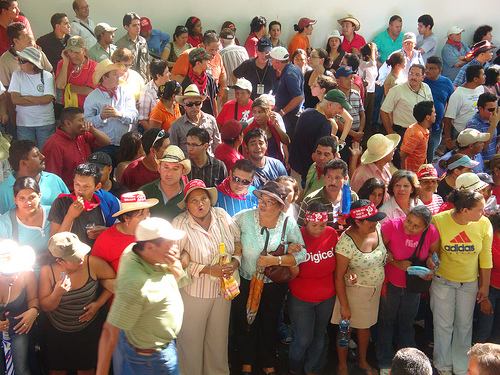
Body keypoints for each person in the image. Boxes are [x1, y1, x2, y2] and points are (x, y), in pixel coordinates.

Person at [95, 217, 185, 375]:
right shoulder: (136, 285)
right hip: (151, 360)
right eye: (168, 244)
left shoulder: (134, 250)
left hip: (159, 347)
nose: (174, 248)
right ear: (149, 247)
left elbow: (177, 274)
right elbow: (109, 332)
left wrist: (172, 263)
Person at [232, 181, 306, 375]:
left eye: (269, 202)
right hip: (246, 279)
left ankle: (267, 362)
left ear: (281, 206)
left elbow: (302, 254)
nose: (262, 204)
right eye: (261, 200)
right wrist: (235, 246)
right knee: (244, 322)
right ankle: (246, 362)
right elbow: (226, 233)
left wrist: (277, 259)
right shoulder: (244, 218)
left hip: (274, 284)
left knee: (269, 322)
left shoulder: (288, 223)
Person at [172, 179, 240, 374]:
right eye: (194, 200)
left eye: (204, 198)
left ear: (210, 200)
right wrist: (207, 270)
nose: (200, 204)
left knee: (218, 341)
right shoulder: (179, 223)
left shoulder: (222, 216)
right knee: (190, 343)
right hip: (193, 292)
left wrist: (234, 263)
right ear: (187, 204)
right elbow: (173, 261)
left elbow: (238, 243)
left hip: (223, 291)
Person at [431, 190, 493, 375]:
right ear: (464, 210)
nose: (484, 212)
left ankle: (461, 368)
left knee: (464, 326)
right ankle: (442, 367)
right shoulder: (439, 220)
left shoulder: (484, 223)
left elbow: (486, 257)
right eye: (480, 209)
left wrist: (485, 287)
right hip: (443, 281)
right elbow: (433, 253)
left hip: (469, 283)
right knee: (443, 326)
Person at [40, 231, 116, 375]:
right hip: (57, 331)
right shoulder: (47, 271)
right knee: (58, 371)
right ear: (60, 261)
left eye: (80, 255)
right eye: (75, 259)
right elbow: (45, 306)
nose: (81, 260)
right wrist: (57, 293)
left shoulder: (91, 263)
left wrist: (98, 304)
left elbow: (113, 283)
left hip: (87, 330)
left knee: (86, 369)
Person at [376, 206, 439, 375]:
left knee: (407, 324)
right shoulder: (390, 226)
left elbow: (434, 255)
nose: (409, 227)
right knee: (386, 323)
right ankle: (384, 362)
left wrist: (431, 268)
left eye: (416, 226)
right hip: (390, 284)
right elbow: (379, 251)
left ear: (425, 228)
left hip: (413, 287)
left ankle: (409, 365)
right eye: (408, 221)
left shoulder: (432, 232)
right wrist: (396, 263)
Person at [332, 199, 387, 375]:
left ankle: (362, 361)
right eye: (371, 220)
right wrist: (345, 305)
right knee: (345, 331)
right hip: (354, 292)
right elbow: (338, 276)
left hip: (374, 290)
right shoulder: (346, 242)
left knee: (365, 327)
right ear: (357, 221)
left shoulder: (376, 229)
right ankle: (342, 365)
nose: (376, 223)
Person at [287, 201, 338, 374]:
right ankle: (294, 368)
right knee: (302, 339)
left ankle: (311, 369)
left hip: (327, 297)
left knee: (319, 336)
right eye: (314, 225)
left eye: (322, 225)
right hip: (301, 298)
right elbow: (291, 271)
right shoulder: (296, 236)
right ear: (306, 221)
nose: (318, 229)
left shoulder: (331, 234)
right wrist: (290, 254)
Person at [48, 162, 119, 247]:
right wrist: (70, 216)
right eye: (77, 184)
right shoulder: (61, 203)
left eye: (86, 186)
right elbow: (54, 244)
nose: (80, 190)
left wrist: (106, 232)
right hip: (69, 258)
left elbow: (122, 231)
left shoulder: (106, 202)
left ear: (97, 187)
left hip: (97, 256)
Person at [289, 89, 352, 184]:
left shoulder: (306, 112)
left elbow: (308, 136)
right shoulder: (325, 124)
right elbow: (317, 155)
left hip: (294, 169)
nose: (341, 111)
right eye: (340, 107)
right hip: (307, 175)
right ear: (330, 105)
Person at [84, 59, 138, 165]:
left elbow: (135, 116)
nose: (119, 76)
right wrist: (101, 117)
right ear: (105, 77)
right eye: (114, 74)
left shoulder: (126, 93)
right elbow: (86, 122)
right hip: (102, 146)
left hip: (124, 145)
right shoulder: (92, 98)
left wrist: (119, 115)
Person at [42, 106, 111, 190]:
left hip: (87, 189)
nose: (84, 123)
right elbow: (52, 179)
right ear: (68, 123)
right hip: (69, 193)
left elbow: (106, 141)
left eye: (84, 120)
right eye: (81, 120)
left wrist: (92, 130)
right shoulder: (53, 145)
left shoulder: (81, 135)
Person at [0, 240, 40, 375]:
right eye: (7, 273)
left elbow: (33, 298)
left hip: (18, 328)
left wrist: (33, 311)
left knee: (21, 369)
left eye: (17, 270)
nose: (14, 276)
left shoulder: (27, 273)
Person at [92, 191, 157, 273]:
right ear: (126, 217)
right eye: (141, 215)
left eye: (148, 213)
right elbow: (95, 269)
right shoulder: (106, 239)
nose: (147, 218)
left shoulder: (155, 232)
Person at [0, 140, 69, 215]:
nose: (42, 156)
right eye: (36, 155)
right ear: (23, 163)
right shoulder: (3, 191)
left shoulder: (54, 179)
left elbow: (70, 206)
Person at [0, 176, 51, 273]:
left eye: (32, 197)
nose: (27, 202)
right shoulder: (5, 223)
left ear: (39, 197)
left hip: (52, 272)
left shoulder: (52, 214)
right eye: (22, 198)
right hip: (22, 276)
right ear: (15, 200)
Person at [8, 46, 55, 150]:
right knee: (26, 154)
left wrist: (25, 97)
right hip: (24, 123)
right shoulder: (16, 75)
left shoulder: (47, 75)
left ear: (33, 64)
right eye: (19, 59)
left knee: (45, 154)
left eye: (22, 61)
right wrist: (39, 100)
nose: (19, 63)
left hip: (45, 122)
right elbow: (15, 100)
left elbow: (47, 99)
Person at [298, 159, 358, 228]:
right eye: (329, 177)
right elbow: (299, 229)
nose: (333, 182)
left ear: (345, 179)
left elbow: (358, 226)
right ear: (324, 178)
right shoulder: (311, 200)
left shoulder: (352, 197)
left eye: (337, 178)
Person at [381, 64, 433, 141]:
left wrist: (428, 127)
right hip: (403, 131)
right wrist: (390, 131)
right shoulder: (397, 90)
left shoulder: (426, 88)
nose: (413, 77)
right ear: (408, 74)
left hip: (422, 131)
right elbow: (384, 111)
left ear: (423, 77)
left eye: (417, 75)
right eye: (411, 74)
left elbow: (431, 109)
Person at [139, 145, 190, 221]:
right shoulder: (144, 192)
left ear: (183, 171)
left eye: (175, 169)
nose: (169, 173)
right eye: (166, 167)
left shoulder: (189, 195)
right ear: (159, 168)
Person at [169, 84, 221, 155]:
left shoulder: (211, 120)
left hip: (210, 163)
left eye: (197, 103)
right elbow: (172, 151)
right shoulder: (176, 126)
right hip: (188, 164)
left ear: (202, 103)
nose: (194, 107)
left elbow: (217, 146)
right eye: (189, 104)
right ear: (184, 105)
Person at [443, 65, 486, 150]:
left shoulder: (480, 89)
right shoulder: (458, 95)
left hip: (477, 132)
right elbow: (448, 119)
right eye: (483, 75)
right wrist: (448, 140)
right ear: (475, 79)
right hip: (460, 133)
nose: (485, 77)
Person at [473, 211, 500, 344]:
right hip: (489, 290)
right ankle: (474, 363)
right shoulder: (490, 237)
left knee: (497, 334)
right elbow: (481, 267)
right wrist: (484, 297)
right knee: (484, 331)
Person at [423, 56, 455, 163]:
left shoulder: (446, 82)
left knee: (431, 148)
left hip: (437, 125)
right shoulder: (421, 81)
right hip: (421, 125)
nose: (427, 71)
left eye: (431, 68)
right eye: (426, 67)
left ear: (439, 70)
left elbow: (451, 102)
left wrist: (444, 120)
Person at [351, 133, 400, 201]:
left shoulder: (386, 166)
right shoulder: (363, 175)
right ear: (384, 154)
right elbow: (361, 203)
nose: (394, 150)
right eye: (392, 148)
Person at [269, 46, 304, 137]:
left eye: (271, 59)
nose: (270, 61)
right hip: (290, 116)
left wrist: (282, 113)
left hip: (290, 118)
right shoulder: (294, 68)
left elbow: (298, 97)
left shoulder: (289, 75)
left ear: (277, 61)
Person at [55, 36, 97, 109]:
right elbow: (60, 86)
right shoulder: (62, 63)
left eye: (77, 52)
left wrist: (67, 87)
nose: (73, 55)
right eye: (70, 51)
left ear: (85, 51)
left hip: (88, 110)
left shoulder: (94, 66)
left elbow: (89, 91)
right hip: (68, 110)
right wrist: (65, 63)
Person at [245, 96, 289, 164]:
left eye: (260, 112)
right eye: (254, 112)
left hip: (277, 163)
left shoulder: (273, 124)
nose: (257, 116)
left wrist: (276, 125)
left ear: (268, 112)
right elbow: (246, 154)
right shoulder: (250, 129)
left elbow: (286, 141)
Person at [334, 65, 365, 162]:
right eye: (346, 78)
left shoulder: (356, 94)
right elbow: (337, 121)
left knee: (357, 160)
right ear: (338, 80)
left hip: (357, 135)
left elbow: (362, 114)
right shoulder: (335, 96)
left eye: (351, 78)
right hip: (344, 135)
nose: (350, 80)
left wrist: (359, 133)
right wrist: (354, 134)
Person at [181, 47, 218, 117]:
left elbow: (214, 100)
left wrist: (216, 119)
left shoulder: (210, 79)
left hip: (209, 119)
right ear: (198, 63)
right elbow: (185, 105)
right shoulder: (187, 82)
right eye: (206, 60)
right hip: (193, 119)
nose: (209, 62)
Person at [400, 101, 435, 173]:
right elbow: (402, 156)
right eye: (433, 112)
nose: (435, 114)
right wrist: (404, 175)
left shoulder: (422, 130)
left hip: (419, 173)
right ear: (427, 117)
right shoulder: (417, 135)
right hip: (413, 174)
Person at [465, 92, 500, 163]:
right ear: (480, 109)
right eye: (491, 110)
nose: (494, 112)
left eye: (496, 109)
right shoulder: (473, 124)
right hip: (480, 164)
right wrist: (493, 124)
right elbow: (482, 147)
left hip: (492, 163)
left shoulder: (491, 120)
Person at [138, 59, 172, 131]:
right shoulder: (146, 92)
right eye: (167, 72)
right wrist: (154, 136)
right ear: (158, 75)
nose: (170, 74)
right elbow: (143, 120)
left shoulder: (172, 86)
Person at [115, 12, 149, 81]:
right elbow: (117, 66)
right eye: (134, 25)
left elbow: (147, 62)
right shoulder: (121, 44)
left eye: (139, 25)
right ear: (126, 27)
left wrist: (149, 80)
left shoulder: (143, 41)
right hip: (129, 80)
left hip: (143, 79)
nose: (138, 27)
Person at [218, 28, 249, 101]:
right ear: (234, 38)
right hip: (244, 89)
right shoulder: (243, 50)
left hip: (228, 91)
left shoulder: (220, 54)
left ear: (221, 41)